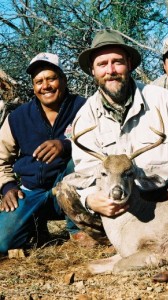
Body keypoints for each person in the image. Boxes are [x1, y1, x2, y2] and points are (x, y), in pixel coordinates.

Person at [63, 28, 168, 221]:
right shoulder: (85, 117)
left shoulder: (165, 101)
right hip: (116, 207)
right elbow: (86, 171)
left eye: (117, 62)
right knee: (65, 191)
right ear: (93, 70)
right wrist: (92, 199)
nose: (110, 71)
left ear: (129, 64)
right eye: (102, 64)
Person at [0, 52, 97, 254]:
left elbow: (102, 144)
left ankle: (77, 228)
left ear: (63, 79)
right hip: (31, 189)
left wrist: (66, 146)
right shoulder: (18, 117)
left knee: (75, 164)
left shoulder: (86, 107)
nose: (46, 86)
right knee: (4, 241)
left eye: (51, 78)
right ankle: (34, 226)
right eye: (39, 81)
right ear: (34, 87)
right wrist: (8, 186)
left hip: (73, 190)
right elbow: (1, 158)